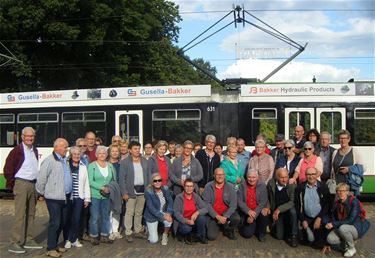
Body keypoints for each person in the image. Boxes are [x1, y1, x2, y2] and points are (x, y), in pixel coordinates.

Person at [4, 127, 43, 254]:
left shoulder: (34, 150)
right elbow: (8, 169)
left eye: (32, 136)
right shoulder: (17, 151)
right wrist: (13, 183)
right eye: (27, 136)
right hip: (21, 183)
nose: (30, 138)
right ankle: (14, 242)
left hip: (32, 184)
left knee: (31, 213)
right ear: (22, 137)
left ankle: (29, 239)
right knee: (20, 215)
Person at [36, 138, 72, 257]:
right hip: (54, 197)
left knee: (61, 222)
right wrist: (41, 193)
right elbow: (41, 179)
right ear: (57, 147)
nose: (67, 149)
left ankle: (55, 245)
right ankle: (50, 248)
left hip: (65, 196)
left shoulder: (64, 160)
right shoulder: (49, 161)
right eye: (65, 147)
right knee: (55, 223)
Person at [324, 183, 370, 257]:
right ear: (336, 192)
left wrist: (333, 224)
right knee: (330, 239)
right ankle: (346, 242)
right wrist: (328, 223)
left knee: (343, 228)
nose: (341, 193)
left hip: (355, 227)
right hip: (343, 227)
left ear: (347, 192)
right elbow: (332, 218)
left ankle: (352, 248)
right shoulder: (336, 203)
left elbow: (351, 220)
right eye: (339, 191)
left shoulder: (354, 201)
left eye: (344, 191)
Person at [119, 141, 151, 243]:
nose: (137, 151)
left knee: (139, 212)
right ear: (130, 150)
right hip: (130, 191)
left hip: (143, 191)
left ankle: (137, 230)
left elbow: (149, 176)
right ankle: (128, 232)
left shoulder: (145, 161)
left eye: (138, 148)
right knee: (129, 212)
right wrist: (124, 192)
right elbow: (121, 179)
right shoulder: (125, 162)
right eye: (135, 149)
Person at [295, 167, 330, 249]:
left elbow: (327, 205)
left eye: (313, 174)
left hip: (319, 217)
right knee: (308, 240)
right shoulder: (300, 188)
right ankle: (308, 232)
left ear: (316, 175)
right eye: (308, 174)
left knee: (318, 244)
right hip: (307, 217)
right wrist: (302, 220)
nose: (311, 177)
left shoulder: (323, 187)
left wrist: (319, 218)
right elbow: (297, 205)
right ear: (306, 175)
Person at [87, 145, 116, 245]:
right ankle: (94, 236)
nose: (102, 155)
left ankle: (104, 235)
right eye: (100, 153)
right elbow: (90, 181)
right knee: (95, 216)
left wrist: (110, 188)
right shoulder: (92, 166)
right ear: (96, 155)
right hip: (95, 195)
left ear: (107, 154)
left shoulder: (110, 166)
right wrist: (102, 187)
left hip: (107, 195)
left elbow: (113, 180)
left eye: (104, 153)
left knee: (106, 216)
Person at [263, 168, 298, 247]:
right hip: (276, 211)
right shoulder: (271, 183)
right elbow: (267, 197)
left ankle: (294, 235)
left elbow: (292, 202)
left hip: (287, 210)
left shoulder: (292, 185)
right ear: (277, 177)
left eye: (286, 177)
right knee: (279, 237)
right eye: (282, 177)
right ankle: (275, 226)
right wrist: (268, 207)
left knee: (293, 212)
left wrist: (279, 209)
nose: (284, 179)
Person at [64, 146, 91, 249]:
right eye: (74, 154)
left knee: (76, 219)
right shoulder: (66, 165)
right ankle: (67, 239)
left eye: (78, 154)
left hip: (79, 197)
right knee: (67, 219)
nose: (76, 156)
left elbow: (86, 183)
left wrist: (87, 198)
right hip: (68, 197)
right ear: (71, 155)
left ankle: (74, 239)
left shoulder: (83, 166)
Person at [203, 168, 240, 241]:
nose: (220, 176)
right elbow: (207, 204)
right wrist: (216, 216)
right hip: (214, 215)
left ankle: (228, 230)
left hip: (226, 214)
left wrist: (225, 216)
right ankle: (221, 226)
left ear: (225, 175)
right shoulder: (208, 186)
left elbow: (233, 204)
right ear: (214, 175)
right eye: (217, 174)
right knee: (211, 237)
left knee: (236, 218)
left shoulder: (230, 186)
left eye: (222, 174)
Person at [173, 179, 208, 244]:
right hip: (183, 221)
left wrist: (197, 212)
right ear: (184, 187)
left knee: (202, 218)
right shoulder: (179, 197)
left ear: (193, 187)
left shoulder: (196, 196)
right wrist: (186, 221)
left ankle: (200, 236)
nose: (189, 188)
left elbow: (205, 208)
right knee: (186, 229)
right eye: (187, 186)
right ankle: (182, 235)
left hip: (193, 220)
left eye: (191, 186)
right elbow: (176, 213)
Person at [237, 169, 269, 241]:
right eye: (249, 177)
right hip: (247, 212)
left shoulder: (262, 186)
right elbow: (239, 201)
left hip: (258, 210)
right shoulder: (242, 185)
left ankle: (261, 233)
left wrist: (253, 216)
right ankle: (245, 225)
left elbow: (262, 202)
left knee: (264, 213)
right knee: (247, 234)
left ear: (257, 177)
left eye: (254, 177)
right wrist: (248, 211)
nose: (251, 180)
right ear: (246, 177)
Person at [144, 173, 173, 245]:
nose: (157, 182)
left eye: (159, 180)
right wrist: (163, 216)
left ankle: (165, 235)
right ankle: (148, 229)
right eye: (155, 181)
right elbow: (151, 208)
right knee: (153, 240)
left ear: (161, 181)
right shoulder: (148, 191)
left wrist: (168, 213)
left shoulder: (165, 188)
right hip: (152, 215)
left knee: (169, 221)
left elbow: (170, 201)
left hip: (163, 211)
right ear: (152, 182)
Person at [107, 144, 123, 240]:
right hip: (109, 190)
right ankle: (109, 231)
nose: (115, 153)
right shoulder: (106, 164)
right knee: (109, 211)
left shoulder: (121, 164)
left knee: (117, 210)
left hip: (118, 190)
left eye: (116, 151)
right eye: (113, 151)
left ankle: (115, 230)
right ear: (109, 153)